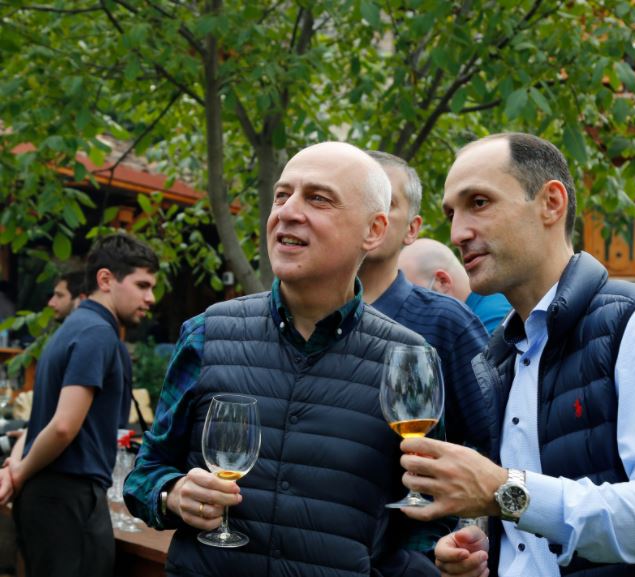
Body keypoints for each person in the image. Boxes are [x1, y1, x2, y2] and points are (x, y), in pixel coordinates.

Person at [397, 133, 635, 577]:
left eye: (479, 202)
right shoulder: (502, 356)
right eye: (451, 214)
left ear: (551, 204)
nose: (457, 232)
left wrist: (504, 492)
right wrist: (492, 547)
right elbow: (534, 514)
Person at [123, 142, 441, 577]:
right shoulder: (207, 333)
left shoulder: (409, 358)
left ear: (374, 230)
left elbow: (427, 522)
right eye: (281, 195)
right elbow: (145, 474)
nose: (288, 212)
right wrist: (172, 494)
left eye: (318, 198)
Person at [0, 233, 159, 577]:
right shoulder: (97, 333)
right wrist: (20, 474)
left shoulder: (71, 328)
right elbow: (62, 426)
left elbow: (39, 421)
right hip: (68, 500)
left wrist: (15, 468)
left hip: (49, 500)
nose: (151, 298)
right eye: (142, 285)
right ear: (106, 279)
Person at [359, 151, 490, 451]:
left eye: (385, 203)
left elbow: (494, 440)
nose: (369, 215)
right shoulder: (304, 318)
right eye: (357, 201)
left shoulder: (448, 323)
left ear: (412, 229)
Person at [398, 238, 512, 334]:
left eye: (415, 299)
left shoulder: (489, 321)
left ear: (442, 282)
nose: (411, 312)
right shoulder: (481, 310)